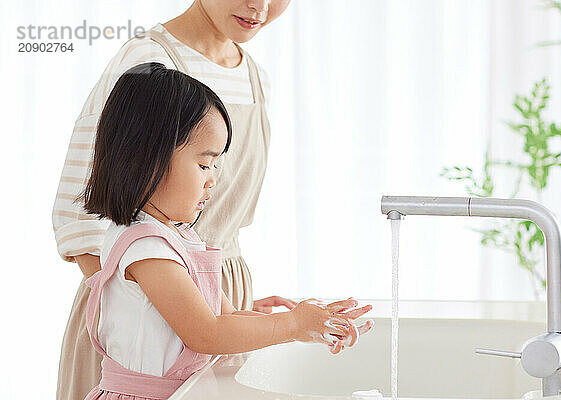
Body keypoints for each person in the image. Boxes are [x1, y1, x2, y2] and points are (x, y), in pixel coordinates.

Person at [79, 62, 374, 399]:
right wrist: (293, 326)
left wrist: (312, 321)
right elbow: (208, 333)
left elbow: (226, 317)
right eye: (204, 163)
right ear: (145, 158)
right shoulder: (147, 249)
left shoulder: (174, 238)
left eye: (216, 165)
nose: (213, 178)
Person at [52, 1, 299, 398]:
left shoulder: (255, 77)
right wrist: (156, 303)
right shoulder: (148, 62)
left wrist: (231, 311)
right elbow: (79, 213)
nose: (261, 6)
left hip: (212, 299)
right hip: (149, 331)